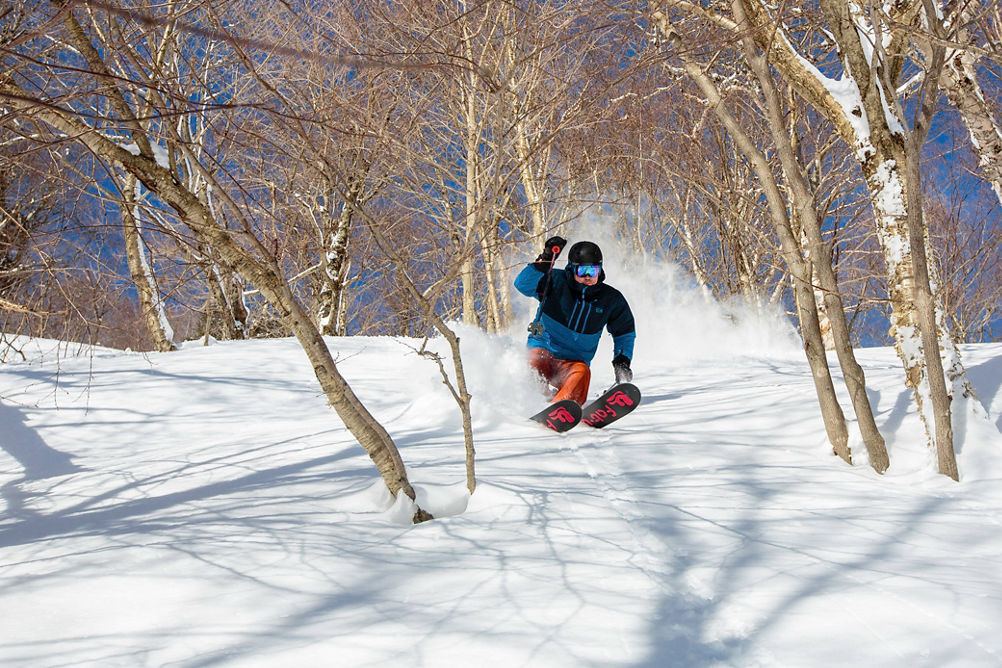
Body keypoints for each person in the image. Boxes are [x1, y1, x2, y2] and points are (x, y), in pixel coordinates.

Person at [514, 236, 635, 405]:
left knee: (581, 375)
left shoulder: (610, 299)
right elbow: (522, 284)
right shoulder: (554, 281)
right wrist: (545, 261)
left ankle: (560, 408)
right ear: (571, 269)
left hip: (574, 361)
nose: (588, 277)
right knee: (533, 366)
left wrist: (622, 361)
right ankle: (534, 404)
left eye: (592, 271)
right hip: (544, 350)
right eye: (582, 271)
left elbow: (624, 332)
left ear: (600, 270)